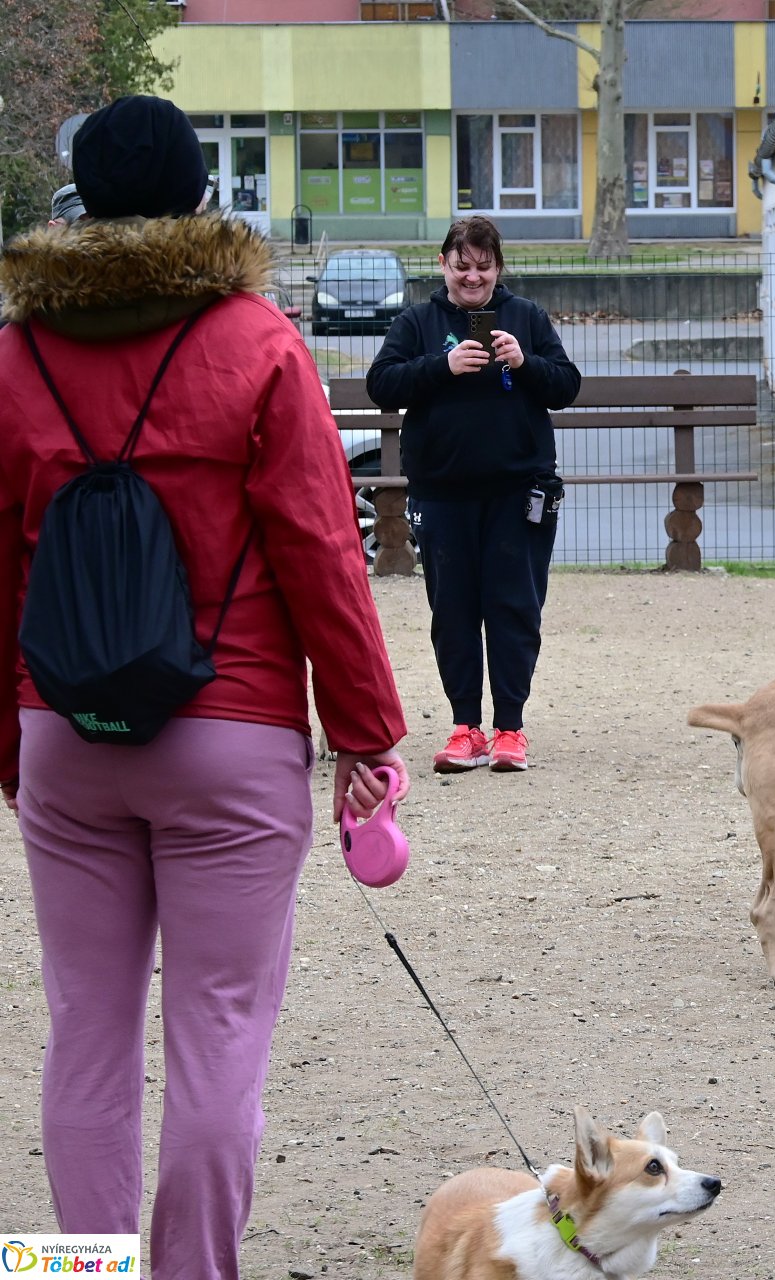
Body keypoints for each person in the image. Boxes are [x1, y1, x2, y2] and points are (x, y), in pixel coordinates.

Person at [0, 95, 408, 1279]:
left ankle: (81, 1275)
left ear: (82, 199)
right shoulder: (257, 342)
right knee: (218, 1035)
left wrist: (10, 742)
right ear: (200, 197)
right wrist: (367, 730)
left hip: (63, 731)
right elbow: (321, 549)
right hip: (229, 734)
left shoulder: (17, 352)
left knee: (83, 1036)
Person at [368, 216, 580, 774]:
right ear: (444, 265)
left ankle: (510, 728)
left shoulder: (526, 318)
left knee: (514, 607)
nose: (473, 277)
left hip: (519, 490)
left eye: (484, 267)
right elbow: (382, 384)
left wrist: (524, 361)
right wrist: (443, 365)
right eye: (462, 266)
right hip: (443, 492)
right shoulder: (418, 321)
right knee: (454, 610)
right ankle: (465, 727)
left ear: (498, 268)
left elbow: (566, 386)